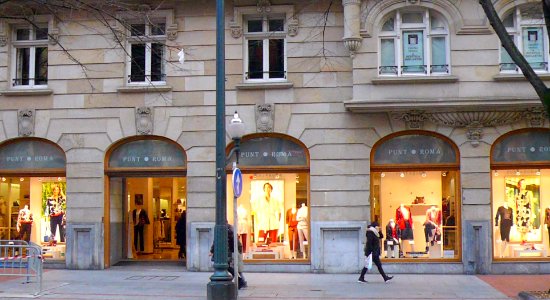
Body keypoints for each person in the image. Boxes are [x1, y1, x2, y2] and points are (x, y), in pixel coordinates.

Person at [210, 224, 248, 289]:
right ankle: (240, 281)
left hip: (224, 252)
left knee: (229, 268)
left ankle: (240, 280)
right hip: (229, 252)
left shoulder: (221, 229)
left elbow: (215, 242)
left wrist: (212, 251)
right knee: (230, 267)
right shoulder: (230, 230)